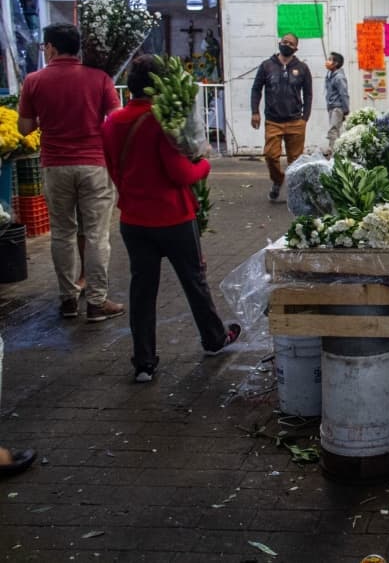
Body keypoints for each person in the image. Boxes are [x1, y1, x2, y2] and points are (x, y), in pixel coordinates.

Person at [102, 55, 241, 383]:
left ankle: (144, 362)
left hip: (133, 220)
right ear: (161, 86)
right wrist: (204, 165)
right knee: (194, 280)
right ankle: (214, 338)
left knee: (142, 289)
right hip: (173, 218)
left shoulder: (112, 122)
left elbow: (113, 170)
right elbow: (181, 174)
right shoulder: (161, 121)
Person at [17, 22, 125, 322]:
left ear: (51, 47)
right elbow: (115, 121)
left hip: (55, 166)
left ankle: (67, 300)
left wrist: (46, 117)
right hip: (94, 164)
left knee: (62, 234)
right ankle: (96, 302)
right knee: (96, 235)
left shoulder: (34, 80)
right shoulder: (100, 78)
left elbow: (24, 128)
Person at [250, 33, 312, 202]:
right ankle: (278, 181)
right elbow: (256, 89)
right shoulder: (266, 66)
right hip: (273, 121)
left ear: (296, 48)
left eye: (290, 43)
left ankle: (295, 192)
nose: (286, 44)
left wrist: (304, 118)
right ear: (279, 43)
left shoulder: (303, 68)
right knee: (270, 155)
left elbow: (308, 94)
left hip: (295, 121)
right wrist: (255, 112)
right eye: (284, 41)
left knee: (295, 161)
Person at [324, 51, 350, 153]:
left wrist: (345, 109)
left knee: (333, 130)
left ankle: (334, 153)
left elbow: (344, 93)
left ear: (336, 63)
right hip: (331, 106)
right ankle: (337, 152)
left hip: (337, 107)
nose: (327, 62)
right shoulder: (330, 75)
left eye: (330, 60)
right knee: (336, 130)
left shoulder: (339, 77)